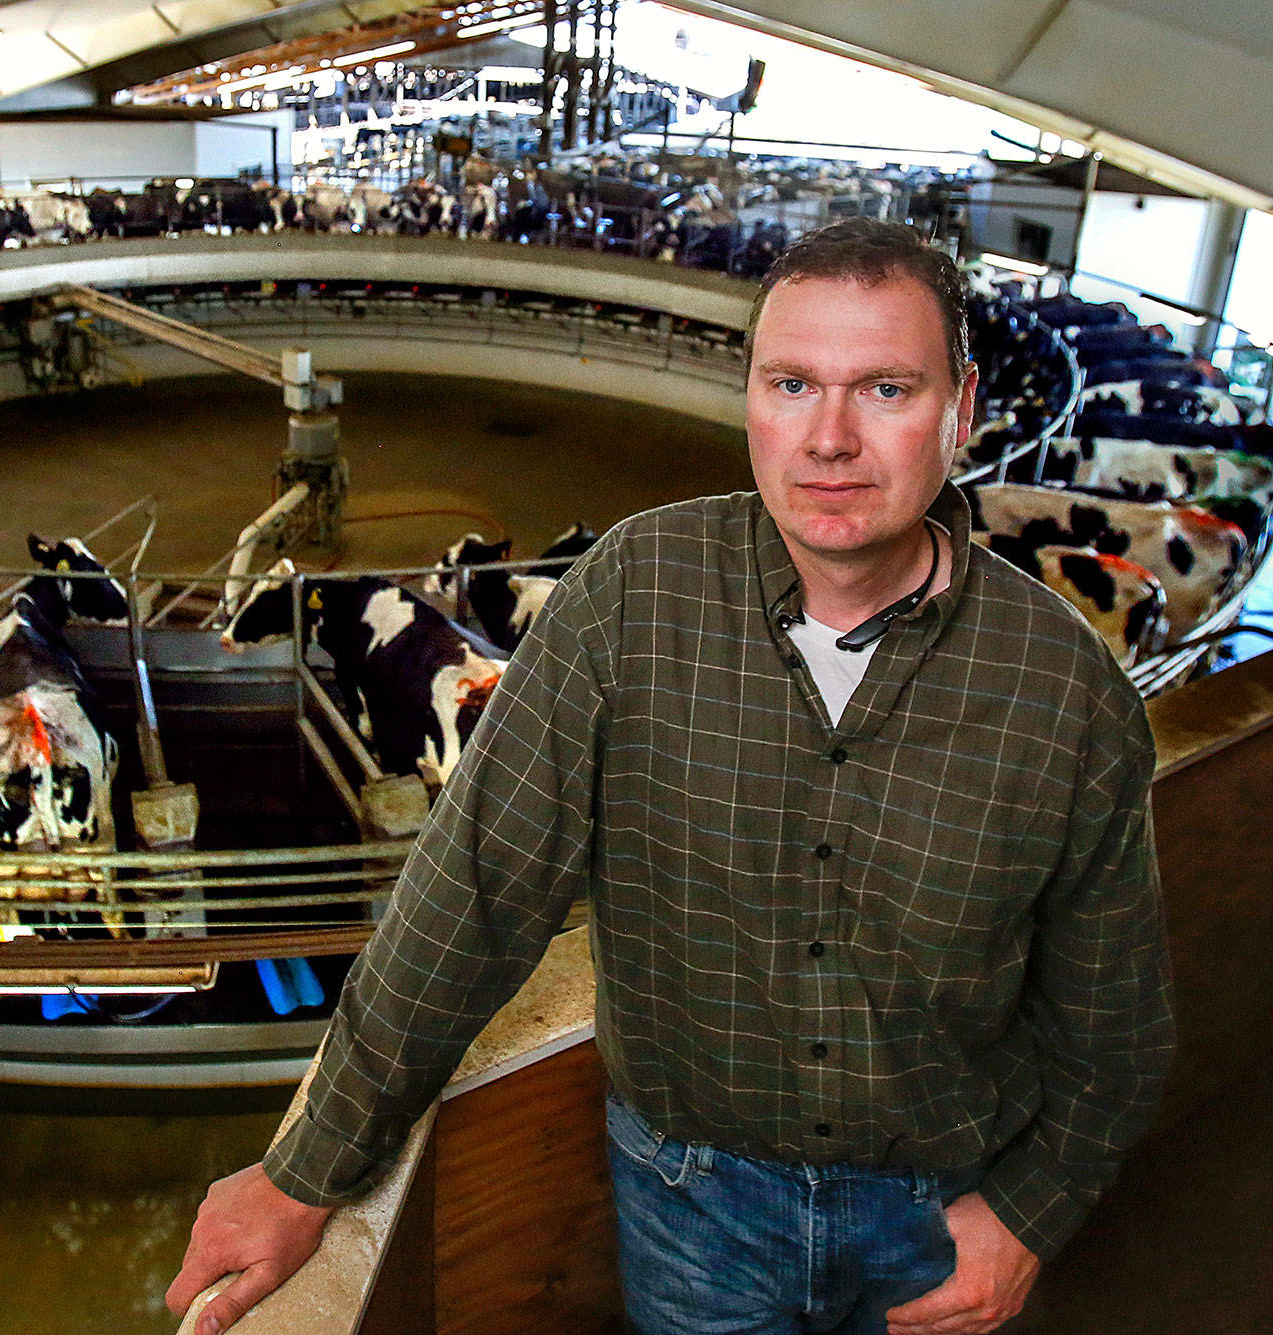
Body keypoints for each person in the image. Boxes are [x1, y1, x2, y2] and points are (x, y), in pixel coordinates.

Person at [166, 218, 1174, 1335]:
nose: (828, 438)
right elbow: (472, 897)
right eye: (791, 384)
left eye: (884, 390)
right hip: (691, 1210)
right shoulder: (628, 598)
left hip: (940, 1211)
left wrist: (1030, 1212)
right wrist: (306, 1170)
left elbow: (1112, 1029)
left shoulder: (1062, 691)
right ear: (747, 397)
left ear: (962, 410)